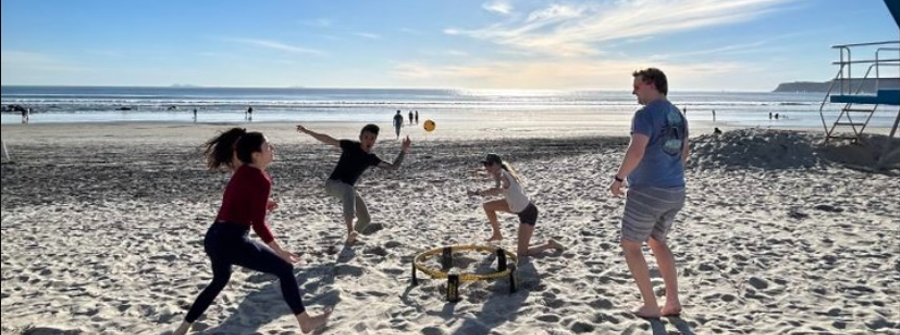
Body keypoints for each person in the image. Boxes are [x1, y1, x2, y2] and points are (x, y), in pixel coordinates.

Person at [174, 128, 331, 335]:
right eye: (267, 146)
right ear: (256, 154)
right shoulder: (260, 179)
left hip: (214, 237)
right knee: (284, 268)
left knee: (219, 280)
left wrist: (262, 203)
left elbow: (240, 202)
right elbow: (258, 224)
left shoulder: (242, 171)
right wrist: (280, 251)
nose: (272, 149)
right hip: (231, 239)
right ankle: (305, 321)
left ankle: (182, 329)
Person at [610, 68, 688, 319]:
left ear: (651, 84)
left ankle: (651, 306)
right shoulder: (677, 114)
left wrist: (619, 178)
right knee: (656, 241)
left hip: (648, 190)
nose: (633, 91)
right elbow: (684, 153)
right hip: (675, 190)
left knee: (630, 245)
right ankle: (672, 302)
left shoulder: (644, 114)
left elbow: (636, 150)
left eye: (637, 86)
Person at [296, 124, 411, 243]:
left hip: (348, 189)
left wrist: (403, 151)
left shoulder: (370, 158)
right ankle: (350, 231)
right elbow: (328, 139)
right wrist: (307, 131)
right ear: (360, 137)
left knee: (365, 219)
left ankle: (351, 239)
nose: (369, 141)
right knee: (348, 190)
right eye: (366, 137)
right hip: (332, 185)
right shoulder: (350, 146)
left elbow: (394, 167)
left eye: (372, 138)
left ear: (375, 140)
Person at [471, 153, 562, 261]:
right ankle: (497, 234)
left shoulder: (501, 175)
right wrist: (479, 172)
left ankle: (549, 244)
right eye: (486, 164)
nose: (487, 167)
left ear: (498, 164)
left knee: (522, 253)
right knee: (487, 206)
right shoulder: (501, 172)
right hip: (514, 206)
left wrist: (478, 193)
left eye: (490, 164)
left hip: (528, 213)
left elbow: (497, 190)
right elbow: (492, 176)